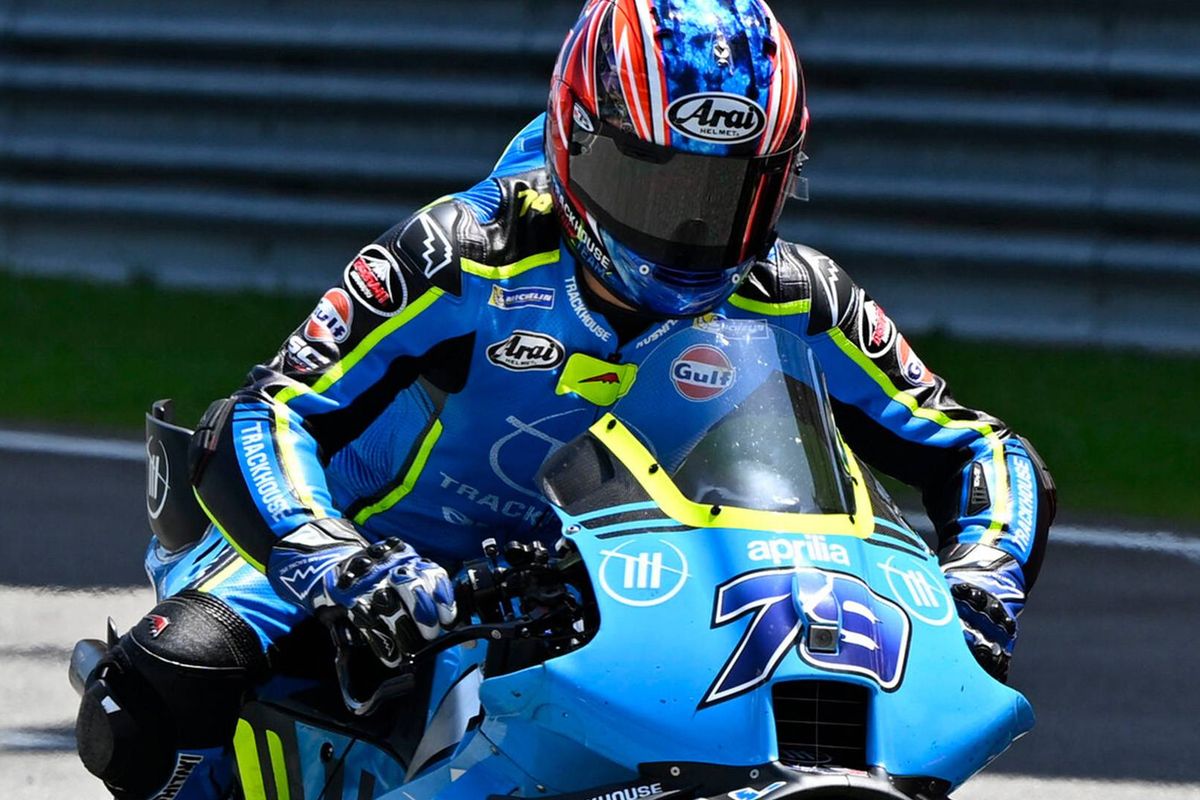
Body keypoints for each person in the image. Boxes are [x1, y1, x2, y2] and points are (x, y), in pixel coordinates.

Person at [75, 0, 1056, 797]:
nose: (691, 229)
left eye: (729, 196)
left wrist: (982, 581)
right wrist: (337, 561)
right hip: (383, 556)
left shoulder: (796, 293)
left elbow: (982, 449)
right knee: (164, 689)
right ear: (576, 141)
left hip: (610, 585)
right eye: (653, 183)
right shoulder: (464, 253)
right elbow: (265, 413)